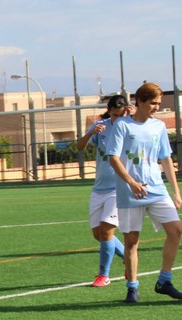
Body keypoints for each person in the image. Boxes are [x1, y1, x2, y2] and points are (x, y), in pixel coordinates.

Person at [106, 82, 182, 304]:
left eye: (159, 103)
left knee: (176, 230)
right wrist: (131, 182)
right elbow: (113, 157)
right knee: (131, 241)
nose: (156, 107)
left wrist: (176, 191)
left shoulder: (158, 127)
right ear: (139, 102)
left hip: (157, 190)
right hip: (130, 192)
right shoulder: (122, 125)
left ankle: (164, 281)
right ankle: (132, 288)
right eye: (152, 103)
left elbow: (166, 159)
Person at [75, 95, 132, 286]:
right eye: (113, 114)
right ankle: (127, 258)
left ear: (126, 111)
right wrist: (91, 133)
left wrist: (132, 120)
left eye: (120, 114)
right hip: (99, 188)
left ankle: (103, 275)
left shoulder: (130, 126)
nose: (116, 118)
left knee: (107, 231)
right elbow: (79, 147)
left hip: (119, 188)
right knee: (98, 234)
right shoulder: (101, 126)